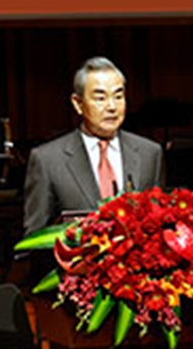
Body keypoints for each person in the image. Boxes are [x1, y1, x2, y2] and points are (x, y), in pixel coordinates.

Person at [22, 56, 163, 235]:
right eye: (100, 98)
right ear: (78, 104)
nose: (112, 106)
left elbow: (158, 225)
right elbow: (35, 237)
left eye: (118, 96)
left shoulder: (149, 153)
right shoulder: (47, 160)